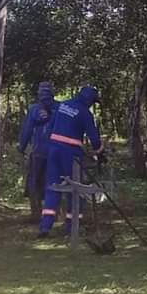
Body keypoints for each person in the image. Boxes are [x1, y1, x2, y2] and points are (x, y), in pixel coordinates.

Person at [38, 85, 102, 238]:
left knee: (53, 186)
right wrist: (100, 151)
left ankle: (45, 228)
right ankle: (71, 228)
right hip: (71, 154)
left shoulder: (63, 105)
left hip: (53, 151)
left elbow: (50, 128)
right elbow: (94, 139)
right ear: (90, 100)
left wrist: (51, 147)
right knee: (76, 188)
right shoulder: (85, 113)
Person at [18, 81, 58, 220]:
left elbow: (27, 130)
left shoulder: (34, 109)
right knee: (54, 182)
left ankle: (36, 214)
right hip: (56, 152)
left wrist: (22, 147)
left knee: (34, 182)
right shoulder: (60, 108)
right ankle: (54, 213)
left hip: (39, 152)